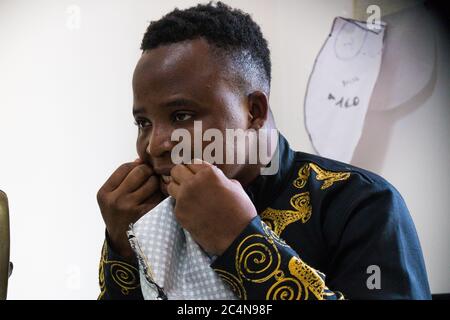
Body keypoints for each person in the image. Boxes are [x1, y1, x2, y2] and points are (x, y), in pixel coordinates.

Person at [96, 2, 431, 300]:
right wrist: (122, 253)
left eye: (181, 116)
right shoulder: (153, 219)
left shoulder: (362, 204)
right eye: (143, 123)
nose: (155, 144)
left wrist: (241, 241)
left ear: (253, 111)